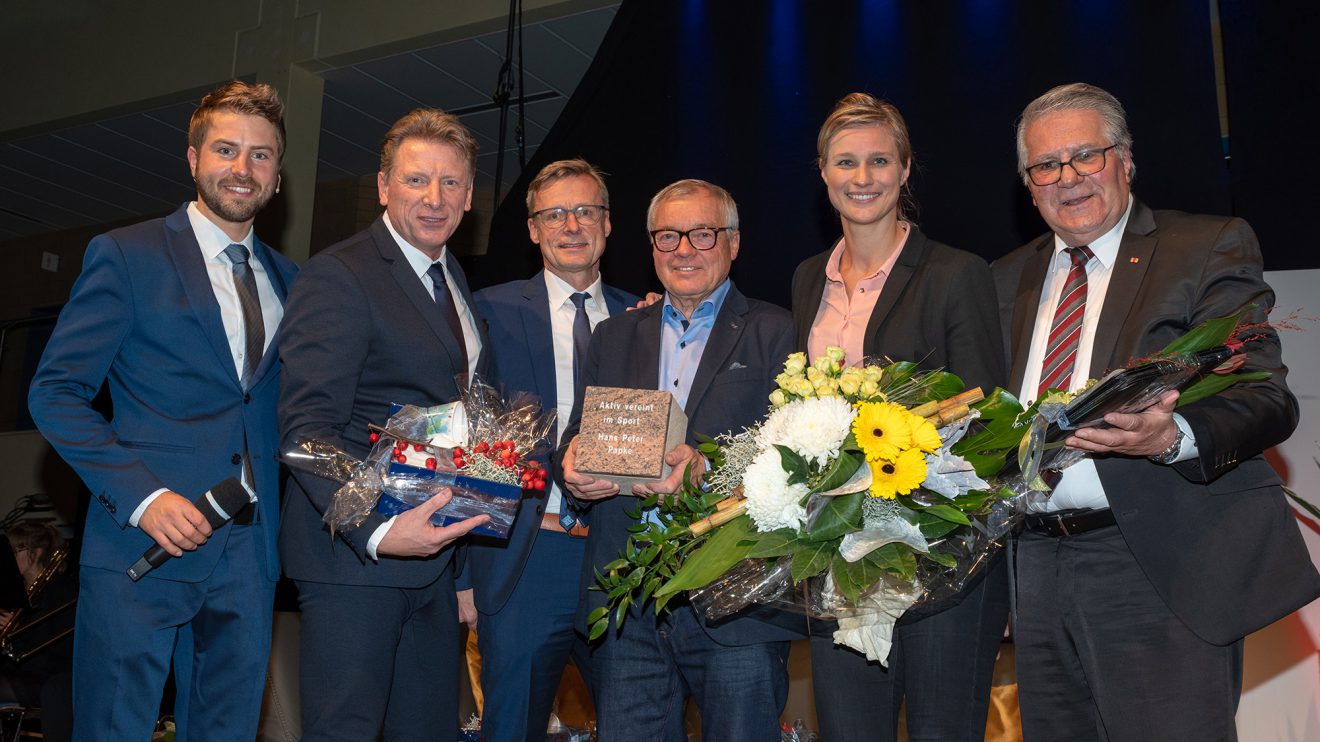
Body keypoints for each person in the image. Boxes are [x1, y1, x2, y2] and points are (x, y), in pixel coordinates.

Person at [993, 82, 1320, 740]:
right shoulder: (1002, 279)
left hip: (1152, 559)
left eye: (1087, 155)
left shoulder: (1203, 247)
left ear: (1126, 159)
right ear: (1029, 185)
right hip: (1034, 569)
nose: (1069, 178)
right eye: (1047, 166)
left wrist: (1173, 436)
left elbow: (1265, 397)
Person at [26, 81, 297, 741]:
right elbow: (55, 393)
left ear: (278, 175)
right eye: (227, 149)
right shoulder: (126, 255)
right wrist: (145, 497)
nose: (243, 168)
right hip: (142, 545)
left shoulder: (294, 280)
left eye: (261, 156)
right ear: (193, 158)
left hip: (250, 555)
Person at [791, 92, 1009, 742]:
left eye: (880, 161)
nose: (863, 178)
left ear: (905, 169)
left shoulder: (955, 273)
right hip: (842, 559)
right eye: (847, 162)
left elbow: (982, 418)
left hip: (944, 554)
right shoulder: (807, 279)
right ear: (823, 172)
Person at [278, 107, 491, 741]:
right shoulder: (339, 275)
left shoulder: (453, 278)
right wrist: (378, 528)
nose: (434, 198)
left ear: (471, 196)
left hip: (431, 561)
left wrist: (461, 568)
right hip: (354, 563)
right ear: (382, 188)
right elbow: (306, 431)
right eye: (416, 180)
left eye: (450, 183)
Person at [558, 179, 798, 741]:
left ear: (733, 243)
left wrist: (710, 470)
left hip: (735, 593)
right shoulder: (613, 335)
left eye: (702, 233)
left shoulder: (777, 330)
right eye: (668, 236)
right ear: (650, 246)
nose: (683, 249)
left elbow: (799, 460)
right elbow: (578, 435)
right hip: (627, 600)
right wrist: (571, 468)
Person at [466, 159, 638, 741]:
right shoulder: (484, 311)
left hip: (622, 556)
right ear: (534, 229)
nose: (572, 225)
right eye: (554, 214)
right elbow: (467, 440)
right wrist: (460, 575)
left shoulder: (649, 318)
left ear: (608, 224)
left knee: (639, 723)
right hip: (526, 554)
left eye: (586, 211)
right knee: (510, 726)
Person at [0, 521, 76, 742]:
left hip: (46, 680)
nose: (8, 560)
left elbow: (57, 656)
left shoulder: (62, 592)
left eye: (14, 551)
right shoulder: (16, 595)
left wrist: (13, 637)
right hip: (19, 675)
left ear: (37, 552)